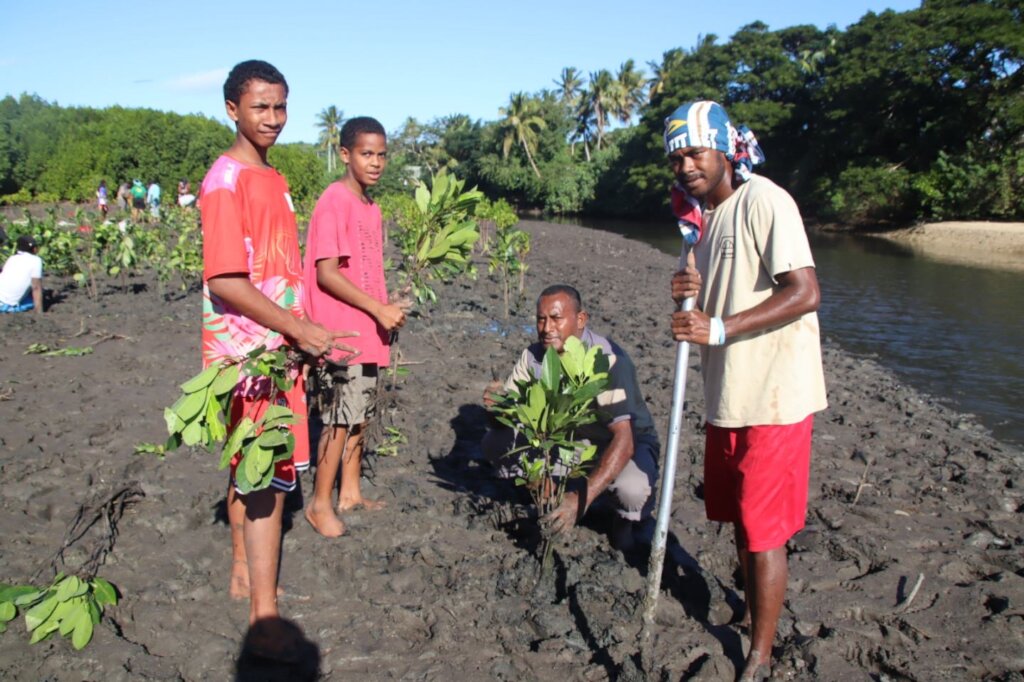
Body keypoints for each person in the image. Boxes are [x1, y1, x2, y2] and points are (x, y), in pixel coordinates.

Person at [664, 100, 827, 681]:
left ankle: (758, 655)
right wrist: (685, 296)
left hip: (776, 394)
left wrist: (719, 327)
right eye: (677, 156)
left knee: (763, 531)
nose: (686, 165)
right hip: (727, 394)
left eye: (696, 152)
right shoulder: (699, 225)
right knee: (738, 520)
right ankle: (752, 613)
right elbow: (706, 311)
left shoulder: (766, 201)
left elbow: (805, 291)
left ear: (727, 150)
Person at [200, 59, 357, 654]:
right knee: (263, 474)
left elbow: (278, 274)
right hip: (247, 354)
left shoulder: (274, 177)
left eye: (280, 106)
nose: (272, 118)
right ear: (232, 110)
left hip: (279, 348)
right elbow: (227, 281)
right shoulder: (226, 181)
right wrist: (297, 328)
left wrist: (304, 331)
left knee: (252, 465)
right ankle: (264, 620)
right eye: (259, 106)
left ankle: (243, 560)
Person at [483, 284, 660, 549]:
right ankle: (551, 497)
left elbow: (625, 440)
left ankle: (622, 521)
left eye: (556, 318)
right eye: (540, 319)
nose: (546, 328)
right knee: (495, 442)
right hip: (570, 442)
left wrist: (578, 501)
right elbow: (500, 424)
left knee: (631, 491)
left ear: (580, 319)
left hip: (624, 444)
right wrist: (495, 406)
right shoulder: (533, 357)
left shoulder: (607, 360)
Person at [302, 116, 408, 538]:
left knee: (361, 414)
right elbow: (326, 273)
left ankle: (350, 491)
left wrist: (386, 307)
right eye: (367, 154)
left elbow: (366, 271)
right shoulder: (335, 200)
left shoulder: (370, 206)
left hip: (367, 330)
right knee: (338, 419)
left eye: (382, 154)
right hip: (342, 332)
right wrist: (378, 310)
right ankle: (319, 504)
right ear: (345, 155)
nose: (376, 162)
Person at [0, 235, 44, 314]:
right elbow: (36, 287)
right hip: (7, 303)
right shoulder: (36, 261)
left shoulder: (12, 258)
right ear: (34, 249)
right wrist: (39, 311)